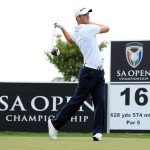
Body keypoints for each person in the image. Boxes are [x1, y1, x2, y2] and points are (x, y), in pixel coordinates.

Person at [48, 7, 109, 141]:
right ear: (78, 18)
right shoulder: (88, 28)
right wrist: (91, 22)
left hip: (99, 72)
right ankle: (55, 123)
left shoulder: (78, 31)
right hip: (89, 73)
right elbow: (106, 28)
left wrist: (62, 27)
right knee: (77, 101)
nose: (87, 16)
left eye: (88, 14)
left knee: (100, 101)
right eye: (84, 15)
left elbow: (70, 39)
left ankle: (97, 132)